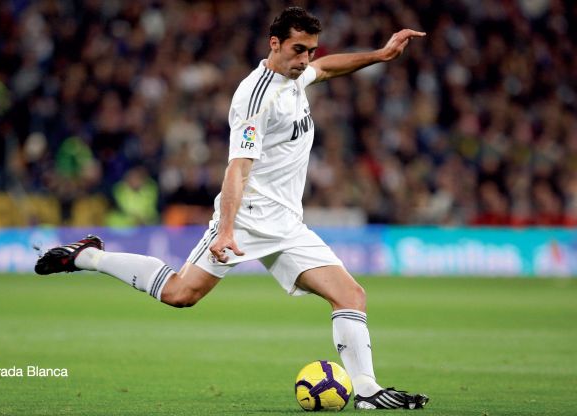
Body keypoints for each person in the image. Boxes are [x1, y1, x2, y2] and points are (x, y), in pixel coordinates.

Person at [35, 7, 428, 410]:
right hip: (246, 219)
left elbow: (326, 68)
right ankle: (90, 257)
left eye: (310, 50)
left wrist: (380, 55)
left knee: (350, 295)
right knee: (180, 294)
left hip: (288, 224)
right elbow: (237, 168)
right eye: (298, 49)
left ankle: (366, 390)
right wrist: (225, 230)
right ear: (274, 44)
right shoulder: (255, 98)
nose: (306, 59)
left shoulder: (297, 76)